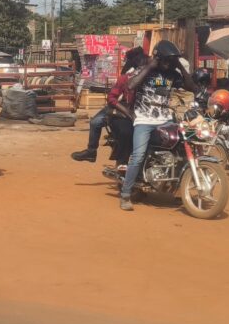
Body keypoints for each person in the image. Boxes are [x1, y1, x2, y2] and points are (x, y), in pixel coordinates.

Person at [113, 40, 196, 211]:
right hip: (144, 120)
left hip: (166, 120)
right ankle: (126, 194)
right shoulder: (145, 71)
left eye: (170, 61)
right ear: (158, 58)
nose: (168, 64)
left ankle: (177, 188)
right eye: (165, 60)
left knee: (182, 149)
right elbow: (130, 85)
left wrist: (180, 66)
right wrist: (149, 67)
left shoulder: (172, 75)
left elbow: (191, 87)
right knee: (138, 156)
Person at [71, 48, 147, 163]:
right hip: (121, 105)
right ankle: (92, 151)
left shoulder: (149, 74)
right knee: (95, 122)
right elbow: (112, 98)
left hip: (141, 109)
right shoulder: (127, 75)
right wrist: (126, 110)